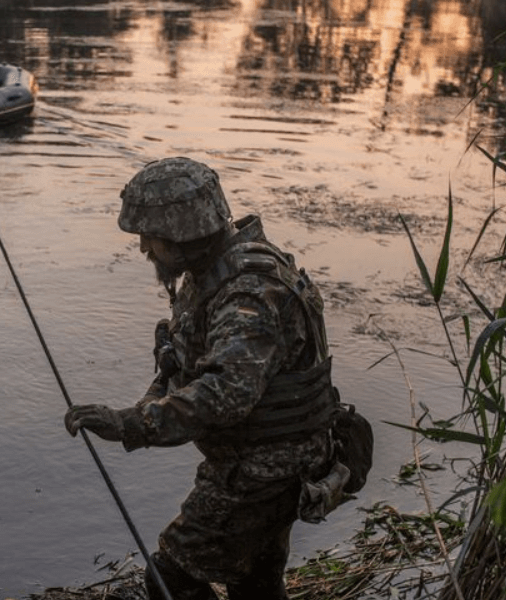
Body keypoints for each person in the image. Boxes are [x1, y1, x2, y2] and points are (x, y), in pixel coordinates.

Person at [64, 157, 340, 600]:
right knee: (254, 583)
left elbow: (223, 397)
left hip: (265, 469)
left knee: (172, 574)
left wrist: (128, 425)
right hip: (269, 458)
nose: (143, 250)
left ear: (182, 234)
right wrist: (161, 380)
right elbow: (199, 376)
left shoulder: (248, 294)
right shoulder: (217, 272)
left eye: (149, 238)